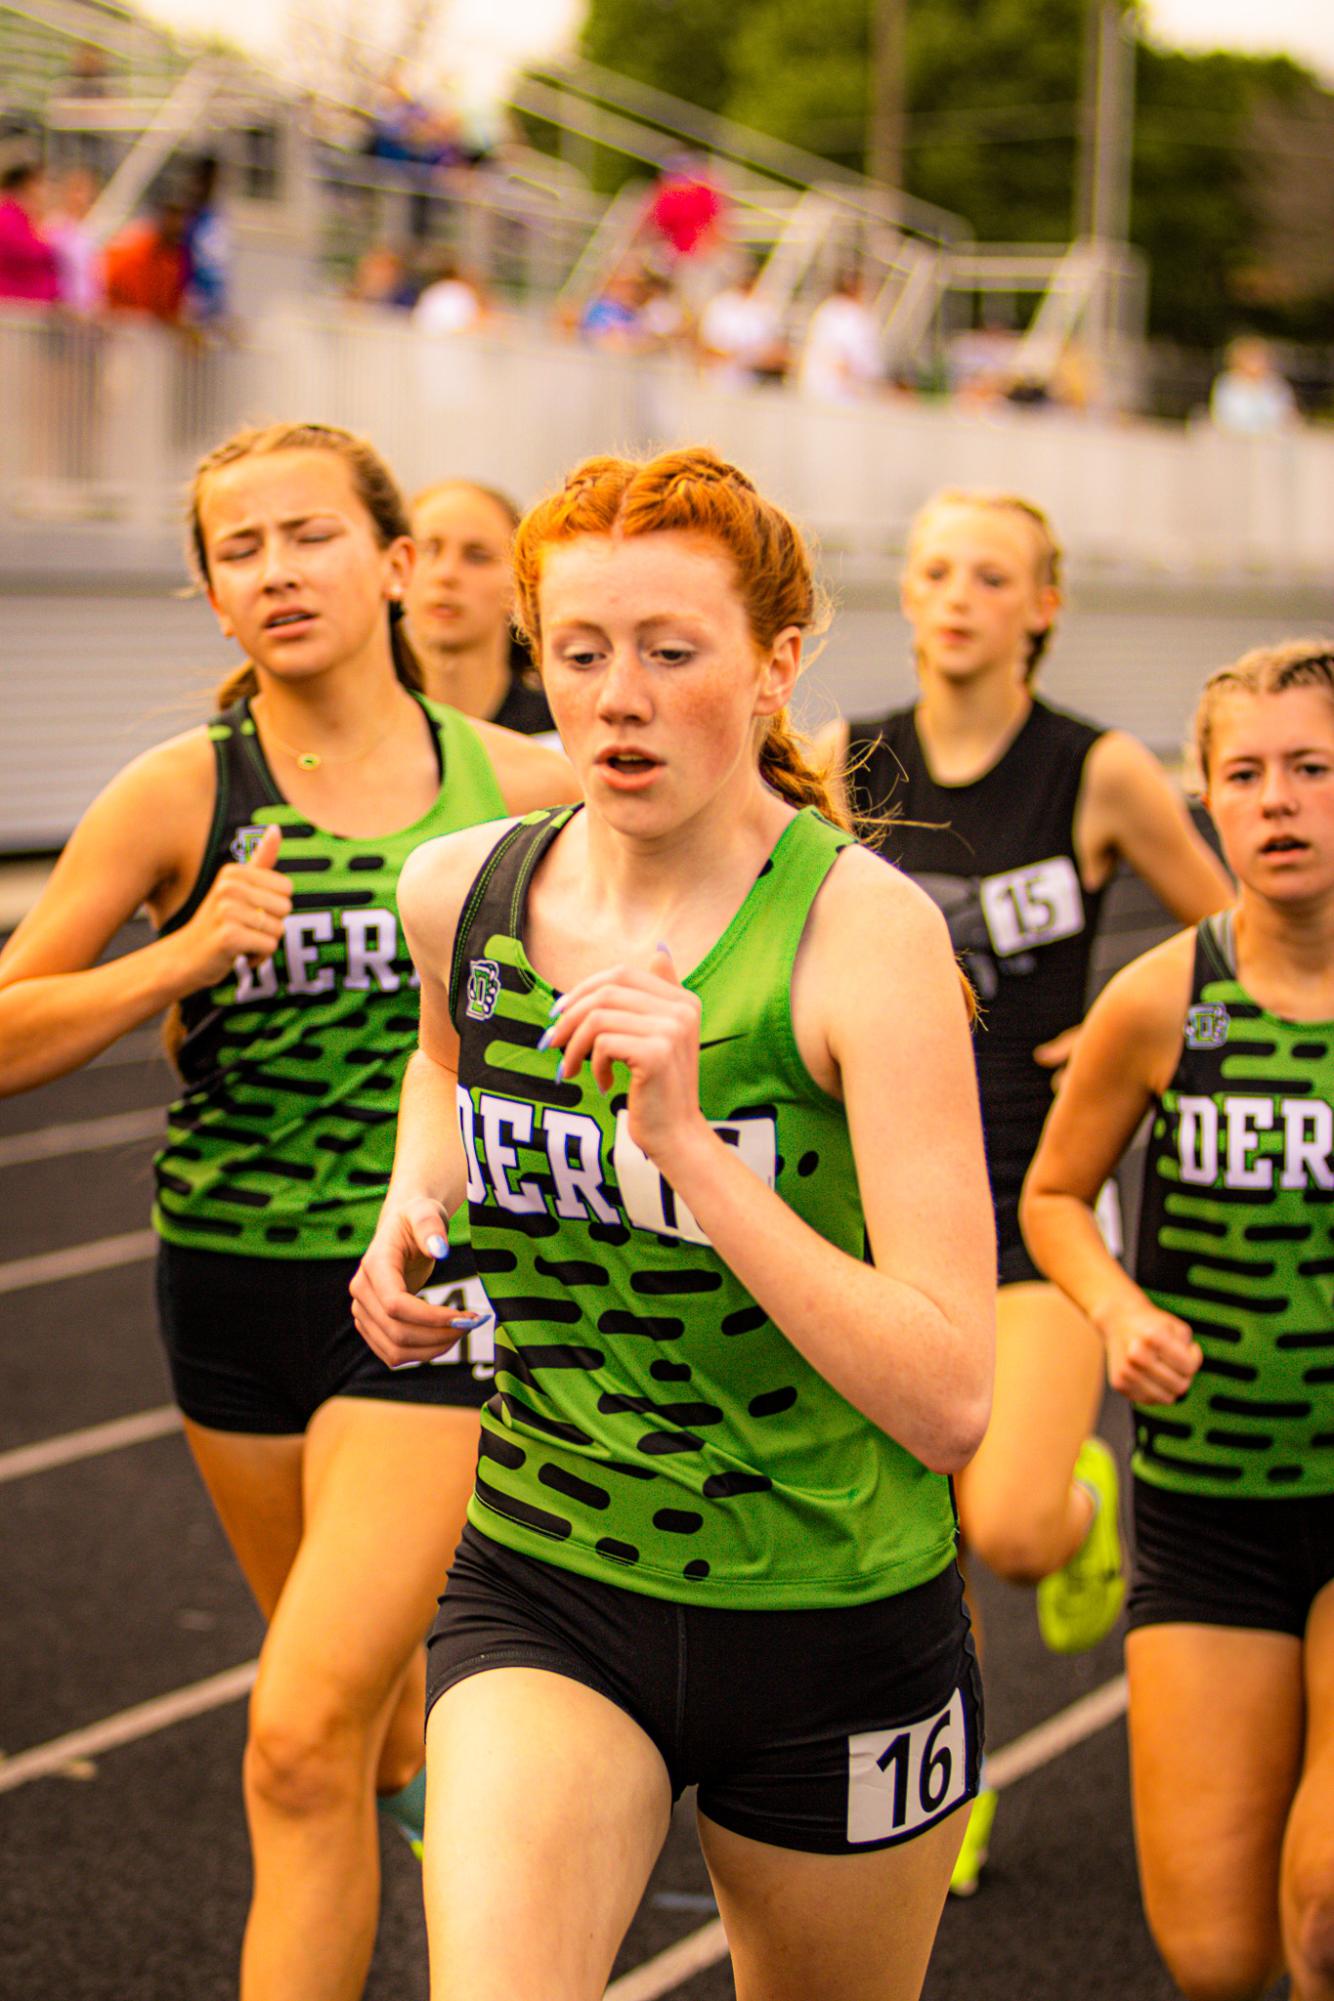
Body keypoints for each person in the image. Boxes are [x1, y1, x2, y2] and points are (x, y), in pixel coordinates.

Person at [350, 446, 996, 2001]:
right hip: (551, 1569)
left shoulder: (865, 939)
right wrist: (409, 1201)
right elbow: (444, 1067)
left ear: (774, 669)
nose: (617, 698)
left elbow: (951, 1395)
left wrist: (693, 1151)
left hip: (834, 1610)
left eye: (669, 651)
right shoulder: (458, 892)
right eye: (578, 653)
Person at [0, 420, 577, 2001]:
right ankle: (431, 1826)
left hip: (424, 1304)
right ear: (209, 596)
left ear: (392, 564)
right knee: (372, 1717)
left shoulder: (520, 788)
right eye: (238, 549)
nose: (277, 570)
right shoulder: (183, 792)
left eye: (308, 535)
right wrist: (172, 960)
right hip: (229, 1306)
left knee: (297, 1732)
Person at [819, 488, 1234, 1893]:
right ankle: (953, 1785)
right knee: (922, 1525)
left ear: (1039, 605)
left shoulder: (1098, 769)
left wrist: (1133, 1034)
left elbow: (1223, 936)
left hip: (1036, 1195)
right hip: (884, 1190)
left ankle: (1076, 1505)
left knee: (1002, 1523)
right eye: (931, 569)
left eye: (987, 576)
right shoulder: (844, 756)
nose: (953, 596)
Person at [1021, 641, 1334, 2001]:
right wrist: (1110, 1302)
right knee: (1213, 1957)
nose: (1277, 802)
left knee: (1324, 1911)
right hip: (1206, 1502)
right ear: (1202, 799)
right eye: (1244, 774)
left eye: (1311, 769)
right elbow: (1049, 1194)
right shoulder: (1160, 1000)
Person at [404, 479, 554, 735]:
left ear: (519, 583)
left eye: (477, 556)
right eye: (429, 550)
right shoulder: (354, 721)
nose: (446, 573)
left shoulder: (556, 732)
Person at [798, 268, 882, 403]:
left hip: (817, 388)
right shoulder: (850, 316)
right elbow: (841, 357)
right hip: (840, 393)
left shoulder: (826, 311)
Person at [0, 160, 58, 304]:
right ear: (27, 185)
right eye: (40, 184)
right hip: (15, 307)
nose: (46, 191)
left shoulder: (24, 219)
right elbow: (27, 253)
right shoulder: (7, 218)